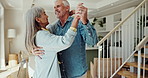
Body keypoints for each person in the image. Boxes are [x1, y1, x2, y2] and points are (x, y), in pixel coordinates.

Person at [33, 0, 98, 78]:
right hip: (60, 74)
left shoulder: (79, 23)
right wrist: (33, 49)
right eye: (54, 7)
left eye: (58, 6)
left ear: (67, 8)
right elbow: (40, 38)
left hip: (77, 74)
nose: (55, 9)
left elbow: (92, 42)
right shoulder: (52, 27)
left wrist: (85, 21)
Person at [25, 6, 81, 78]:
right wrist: (75, 20)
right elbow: (65, 41)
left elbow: (51, 26)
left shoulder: (41, 33)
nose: (47, 16)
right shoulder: (42, 35)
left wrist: (67, 15)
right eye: (44, 14)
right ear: (38, 19)